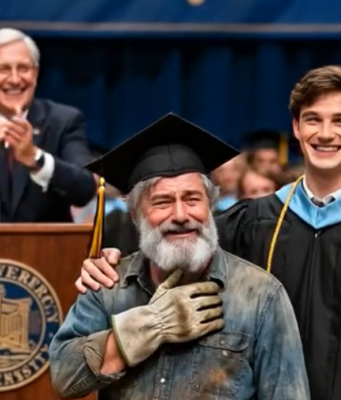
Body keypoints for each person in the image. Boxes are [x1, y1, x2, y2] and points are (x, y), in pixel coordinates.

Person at [75, 66, 341, 400]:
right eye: (313, 120)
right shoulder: (250, 221)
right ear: (296, 128)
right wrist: (108, 265)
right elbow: (170, 253)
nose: (325, 133)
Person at [49, 114, 310, 400]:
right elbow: (64, 378)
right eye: (162, 202)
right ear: (135, 215)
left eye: (192, 199)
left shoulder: (261, 295)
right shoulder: (108, 284)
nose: (181, 215)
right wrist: (148, 326)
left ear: (211, 205)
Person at [0, 28, 95, 222]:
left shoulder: (64, 121)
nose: (15, 79)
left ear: (36, 74)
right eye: (3, 69)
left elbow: (85, 189)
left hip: (49, 241)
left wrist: (36, 159)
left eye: (24, 68)